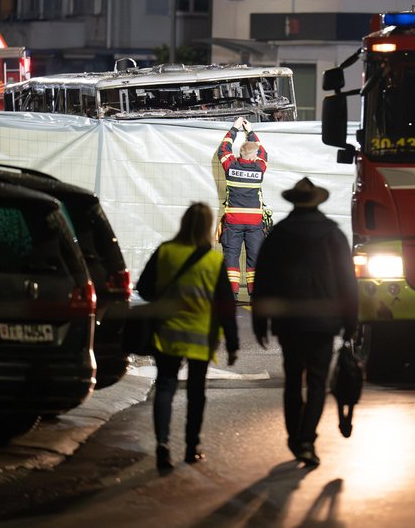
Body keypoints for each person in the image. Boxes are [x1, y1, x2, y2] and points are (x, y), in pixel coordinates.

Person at [252, 178, 358, 467]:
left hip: (289, 321)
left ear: (293, 201)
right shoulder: (333, 235)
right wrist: (351, 320)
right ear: (318, 202)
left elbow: (263, 280)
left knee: (292, 379)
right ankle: (307, 438)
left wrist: (260, 322)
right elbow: (348, 282)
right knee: (316, 381)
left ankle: (293, 437)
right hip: (324, 321)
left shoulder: (279, 234)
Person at [136, 202, 239, 470]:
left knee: (166, 386)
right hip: (201, 338)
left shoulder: (166, 252)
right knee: (196, 393)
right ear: (207, 227)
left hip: (167, 334)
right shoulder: (214, 260)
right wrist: (233, 343)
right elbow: (226, 305)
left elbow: (144, 289)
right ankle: (192, 447)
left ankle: (162, 444)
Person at [217, 116, 268, 300]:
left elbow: (223, 149)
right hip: (254, 222)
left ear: (240, 154)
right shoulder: (259, 168)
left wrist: (234, 128)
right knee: (255, 257)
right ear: (253, 157)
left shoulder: (231, 166)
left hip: (233, 221)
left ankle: (232, 293)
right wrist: (251, 131)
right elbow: (263, 153)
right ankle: (255, 293)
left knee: (231, 255)